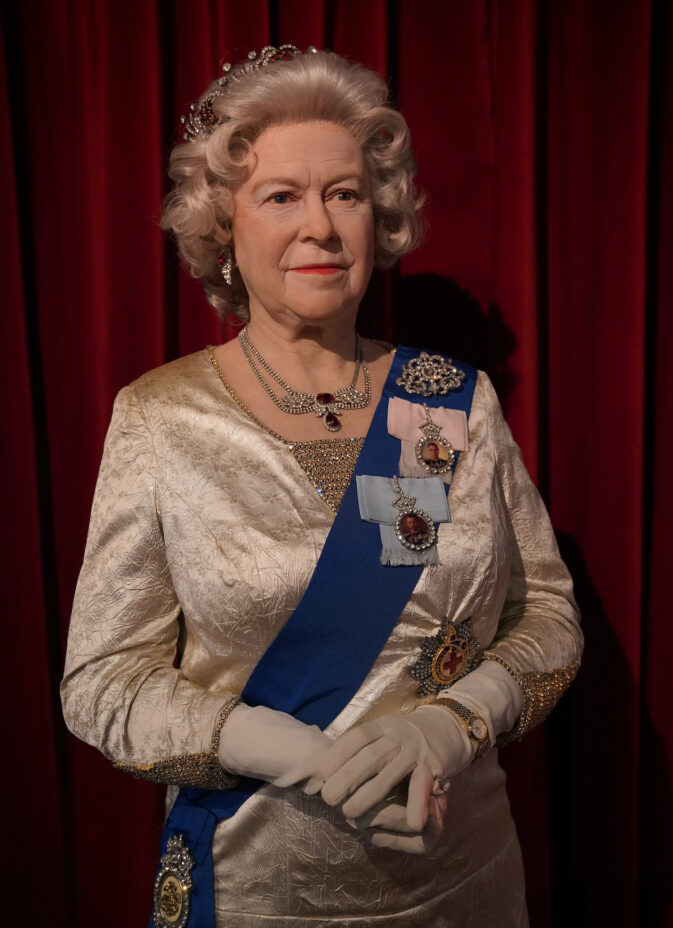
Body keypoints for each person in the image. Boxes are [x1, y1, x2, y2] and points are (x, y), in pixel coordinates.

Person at [61, 45, 583, 927]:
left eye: (345, 194)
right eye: (281, 197)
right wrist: (289, 750)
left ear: (379, 220)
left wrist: (451, 723)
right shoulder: (161, 420)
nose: (321, 226)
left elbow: (546, 618)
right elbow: (103, 684)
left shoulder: (441, 406)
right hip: (262, 888)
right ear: (224, 228)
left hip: (465, 882)